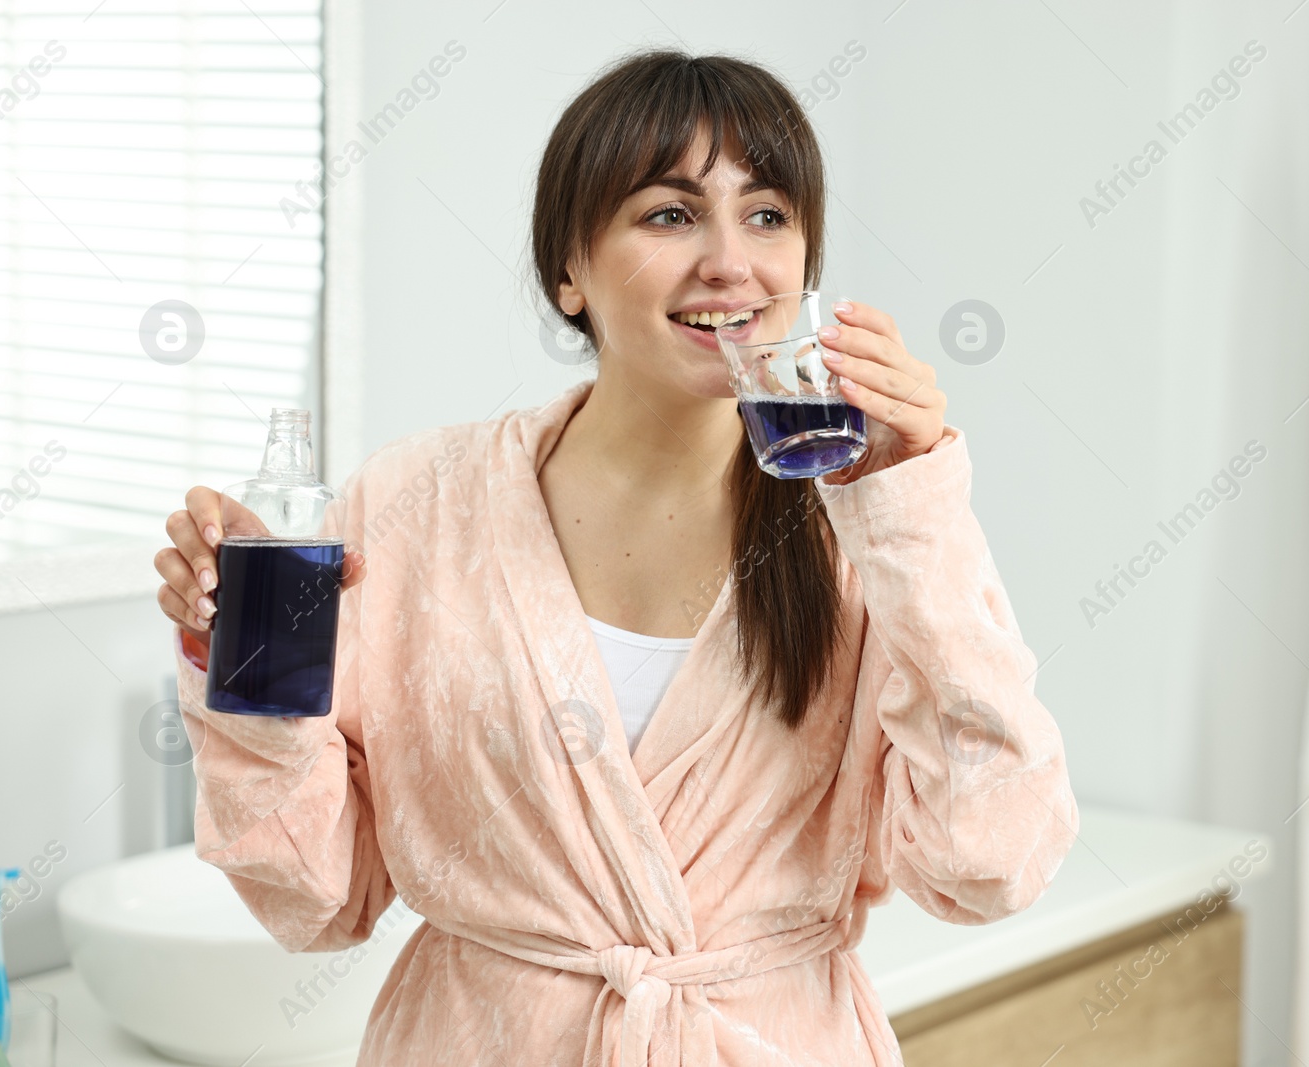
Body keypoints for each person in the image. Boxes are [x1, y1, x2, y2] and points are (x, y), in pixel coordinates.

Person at [153, 48, 1078, 1066]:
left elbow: (990, 864)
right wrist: (238, 663)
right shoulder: (415, 501)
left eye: (767, 214)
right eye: (670, 214)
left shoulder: (866, 529)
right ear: (568, 271)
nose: (731, 261)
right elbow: (313, 897)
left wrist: (916, 504)